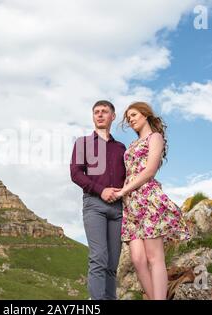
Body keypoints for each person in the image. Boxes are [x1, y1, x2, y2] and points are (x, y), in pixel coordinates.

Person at [114, 101, 190, 300]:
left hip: (147, 198)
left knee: (154, 257)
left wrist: (124, 190)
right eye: (128, 118)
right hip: (130, 205)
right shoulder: (131, 145)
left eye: (134, 115)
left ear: (145, 115)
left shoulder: (154, 137)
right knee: (138, 260)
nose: (130, 120)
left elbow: (149, 170)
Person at [70, 100, 126, 300]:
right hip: (94, 205)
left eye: (104, 111)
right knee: (98, 258)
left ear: (113, 116)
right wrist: (101, 190)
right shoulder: (82, 143)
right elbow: (76, 173)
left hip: (118, 209)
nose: (100, 115)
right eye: (96, 112)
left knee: (112, 264)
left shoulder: (121, 148)